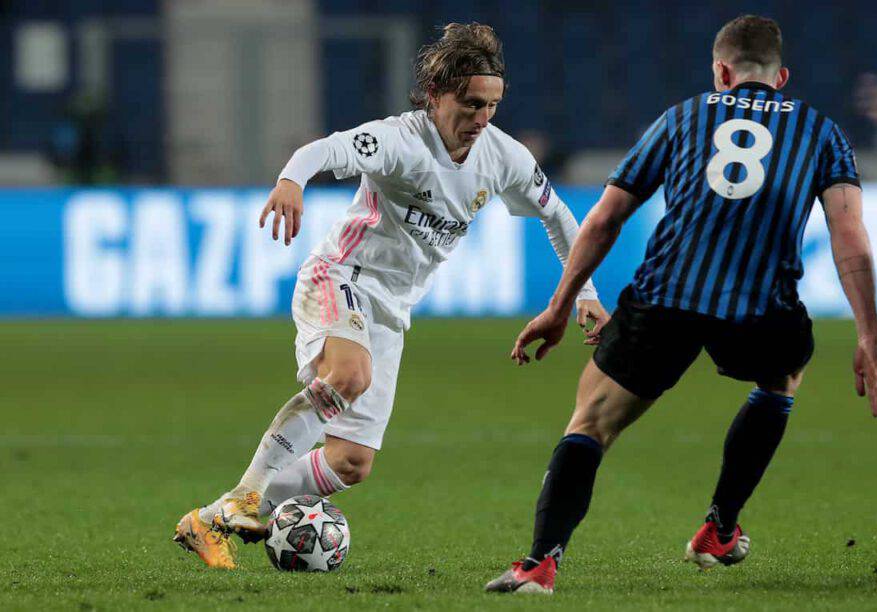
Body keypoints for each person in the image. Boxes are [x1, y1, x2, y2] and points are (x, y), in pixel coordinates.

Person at [173, 22, 608, 570]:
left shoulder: (503, 156)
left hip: (391, 308)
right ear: (435, 95)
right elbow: (323, 150)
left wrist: (585, 291)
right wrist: (290, 181)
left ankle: (209, 521)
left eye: (493, 106)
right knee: (350, 377)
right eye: (471, 104)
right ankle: (246, 493)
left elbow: (559, 217)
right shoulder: (401, 140)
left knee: (351, 462)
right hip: (342, 275)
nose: (482, 119)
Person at [486, 14, 877, 594]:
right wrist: (868, 335)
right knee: (781, 378)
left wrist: (559, 306)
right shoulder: (821, 132)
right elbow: (850, 237)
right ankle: (719, 528)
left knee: (591, 424)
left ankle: (538, 565)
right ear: (781, 78)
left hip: (665, 298)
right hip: (761, 308)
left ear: (721, 71)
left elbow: (605, 219)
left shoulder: (684, 117)